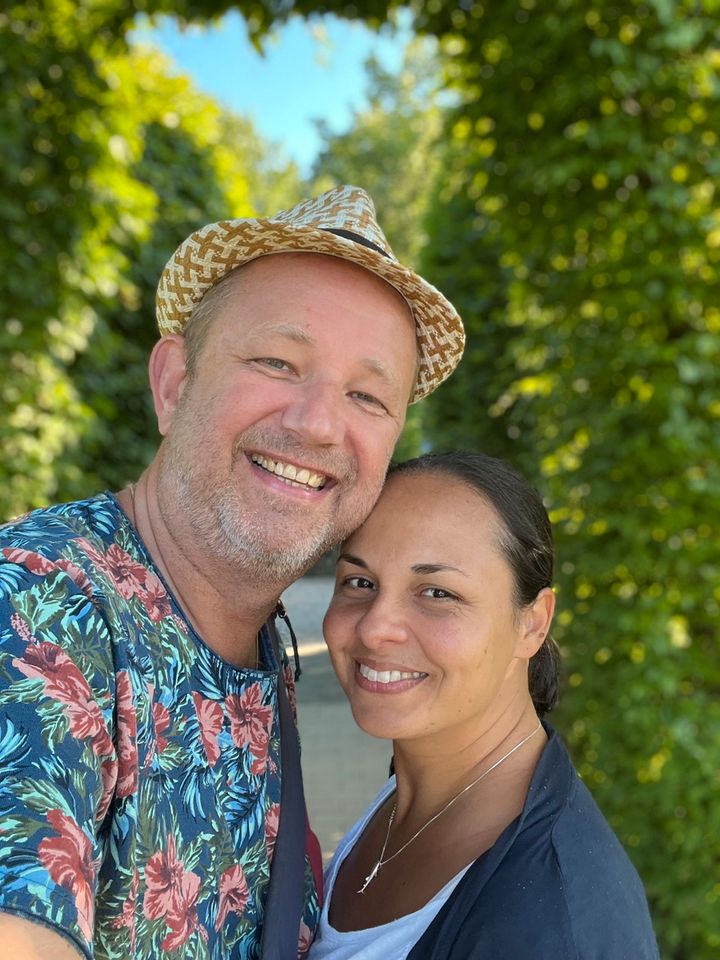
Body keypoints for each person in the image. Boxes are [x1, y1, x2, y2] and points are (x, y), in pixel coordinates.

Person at [0, 186, 465, 960]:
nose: (318, 423)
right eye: (277, 361)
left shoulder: (259, 644)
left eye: (367, 395)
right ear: (174, 384)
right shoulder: (37, 608)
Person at [309, 450, 659, 960]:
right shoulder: (419, 788)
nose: (375, 627)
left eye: (436, 592)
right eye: (359, 582)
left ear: (533, 623)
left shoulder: (555, 929)